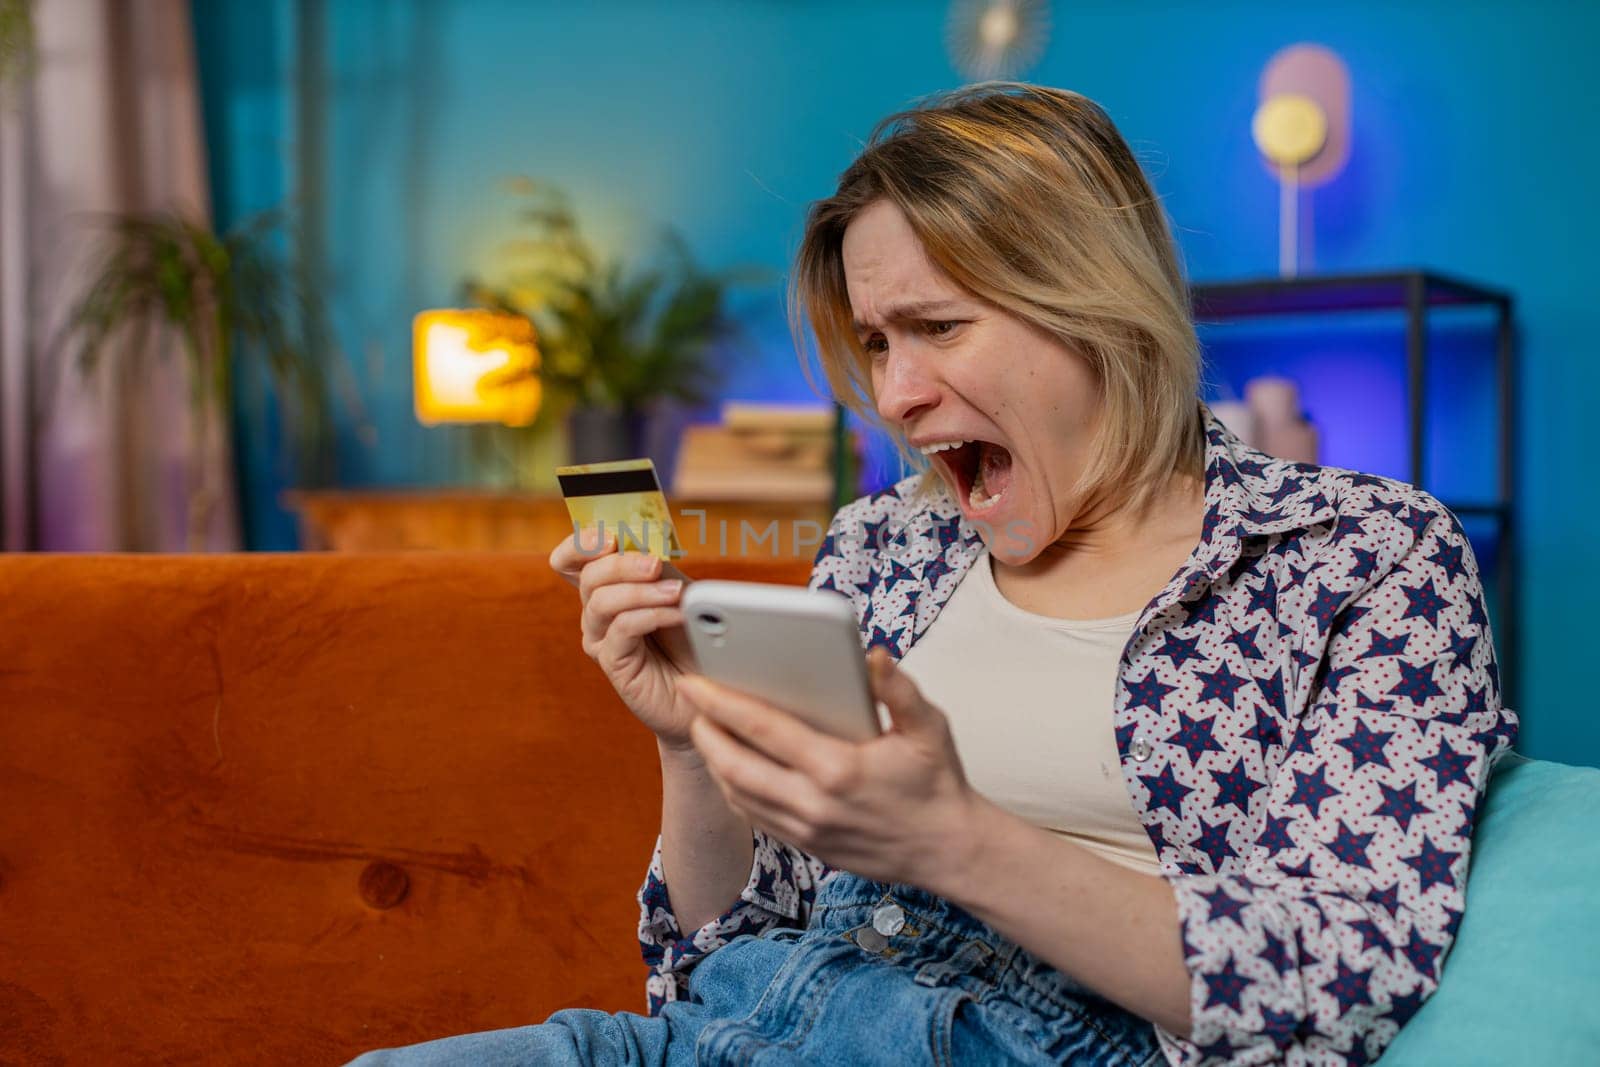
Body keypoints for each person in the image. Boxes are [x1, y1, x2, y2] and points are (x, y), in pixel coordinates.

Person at [349, 82, 1516, 1066]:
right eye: (875, 341)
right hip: (747, 1022)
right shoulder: (881, 545)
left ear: (1097, 306)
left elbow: (1338, 977)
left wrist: (952, 836)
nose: (897, 395)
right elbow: (706, 955)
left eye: (940, 327)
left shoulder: (1358, 558)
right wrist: (692, 740)